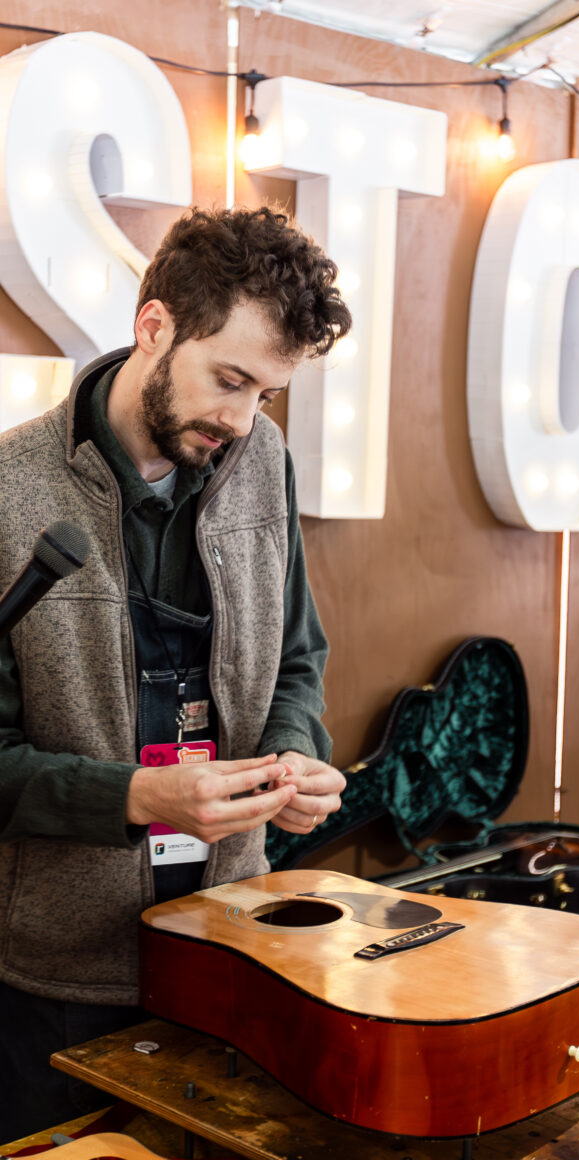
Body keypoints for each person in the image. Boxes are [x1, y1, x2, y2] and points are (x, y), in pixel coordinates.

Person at [0, 206, 352, 1140]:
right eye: (229, 379)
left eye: (267, 395)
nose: (241, 421)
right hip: (58, 980)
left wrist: (290, 756)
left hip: (238, 941)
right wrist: (144, 797)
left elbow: (297, 659)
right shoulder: (6, 494)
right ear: (152, 326)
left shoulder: (260, 457)